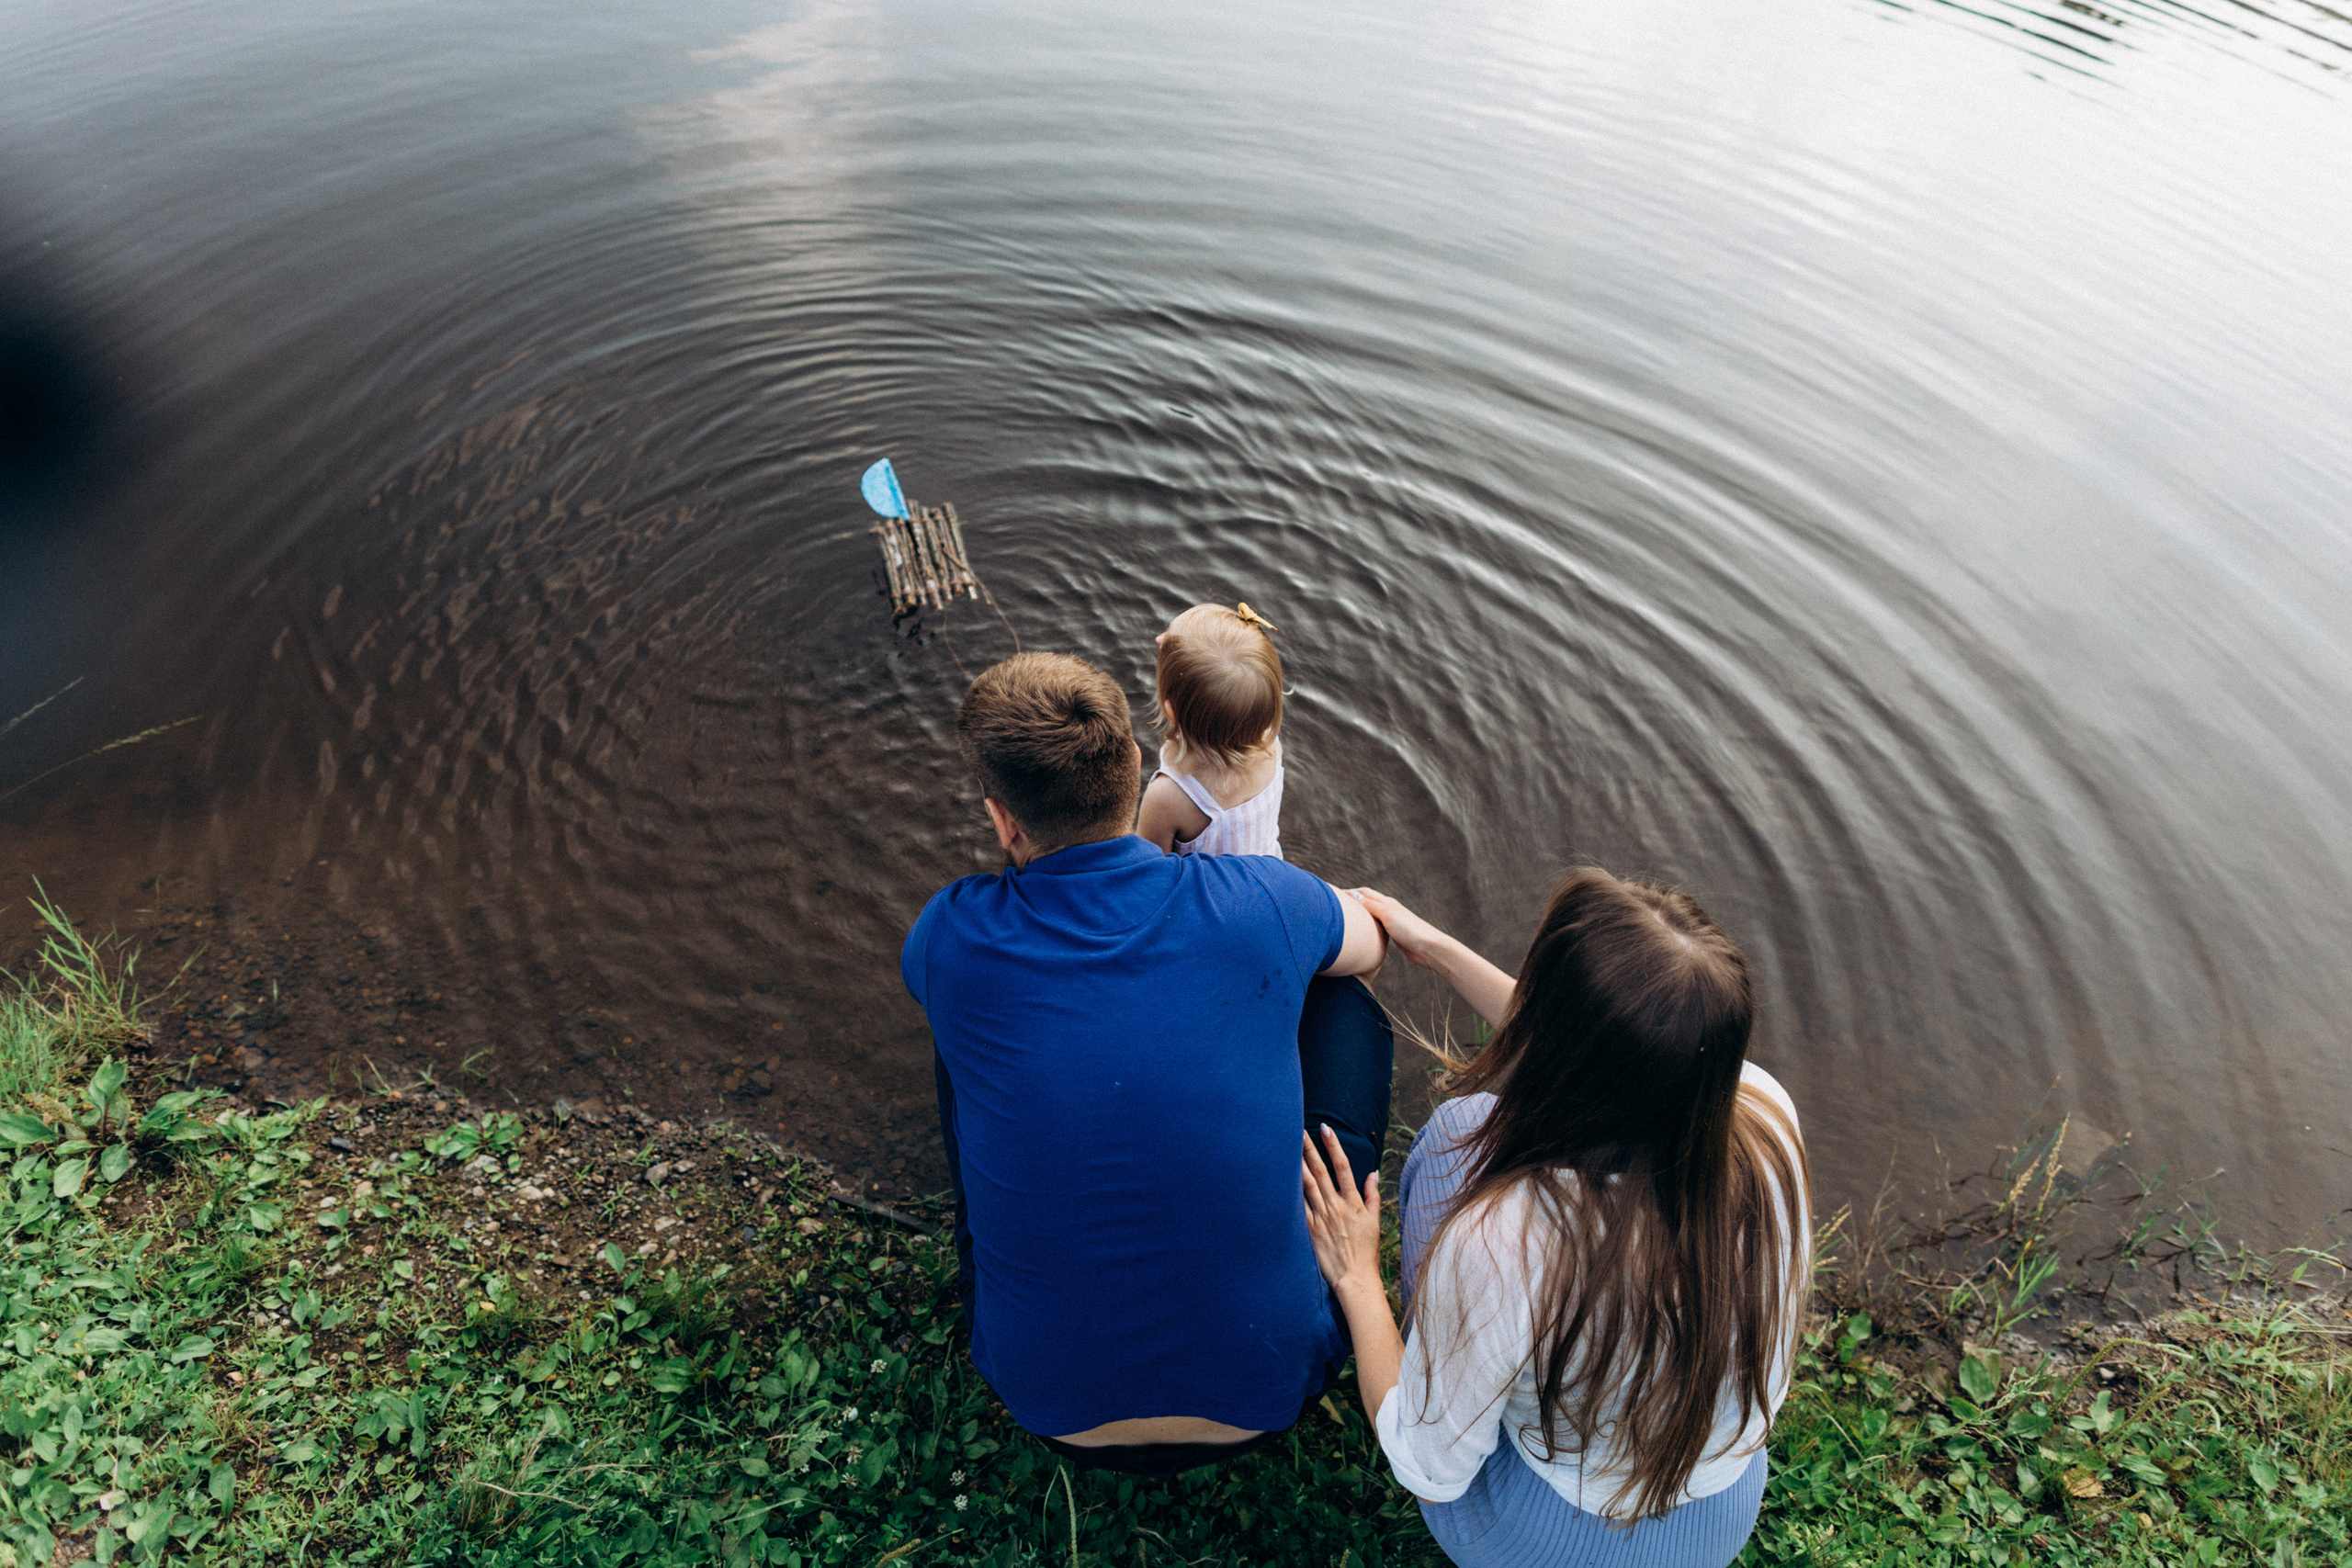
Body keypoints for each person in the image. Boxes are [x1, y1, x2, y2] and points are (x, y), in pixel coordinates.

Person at [902, 651, 1393, 1476]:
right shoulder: (1259, 899)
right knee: (1342, 995)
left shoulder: (949, 936)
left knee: (968, 1043)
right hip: (1266, 1393)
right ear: (1136, 768)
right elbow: (1370, 944)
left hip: (1050, 1403)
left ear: (1002, 820)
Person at [1299, 870, 1810, 1567]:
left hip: (1549, 1542)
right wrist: (1436, 947)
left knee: (1456, 1135)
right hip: (1714, 1517)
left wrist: (1357, 1272)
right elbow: (1621, 1056)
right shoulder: (1769, 1117)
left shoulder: (1505, 1240)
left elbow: (1425, 1461)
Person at [1136, 602, 1286, 857]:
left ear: (1171, 711)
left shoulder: (1169, 797)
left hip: (1207, 897)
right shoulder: (1270, 745)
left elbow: (1148, 871)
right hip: (1265, 878)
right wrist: (1184, 638)